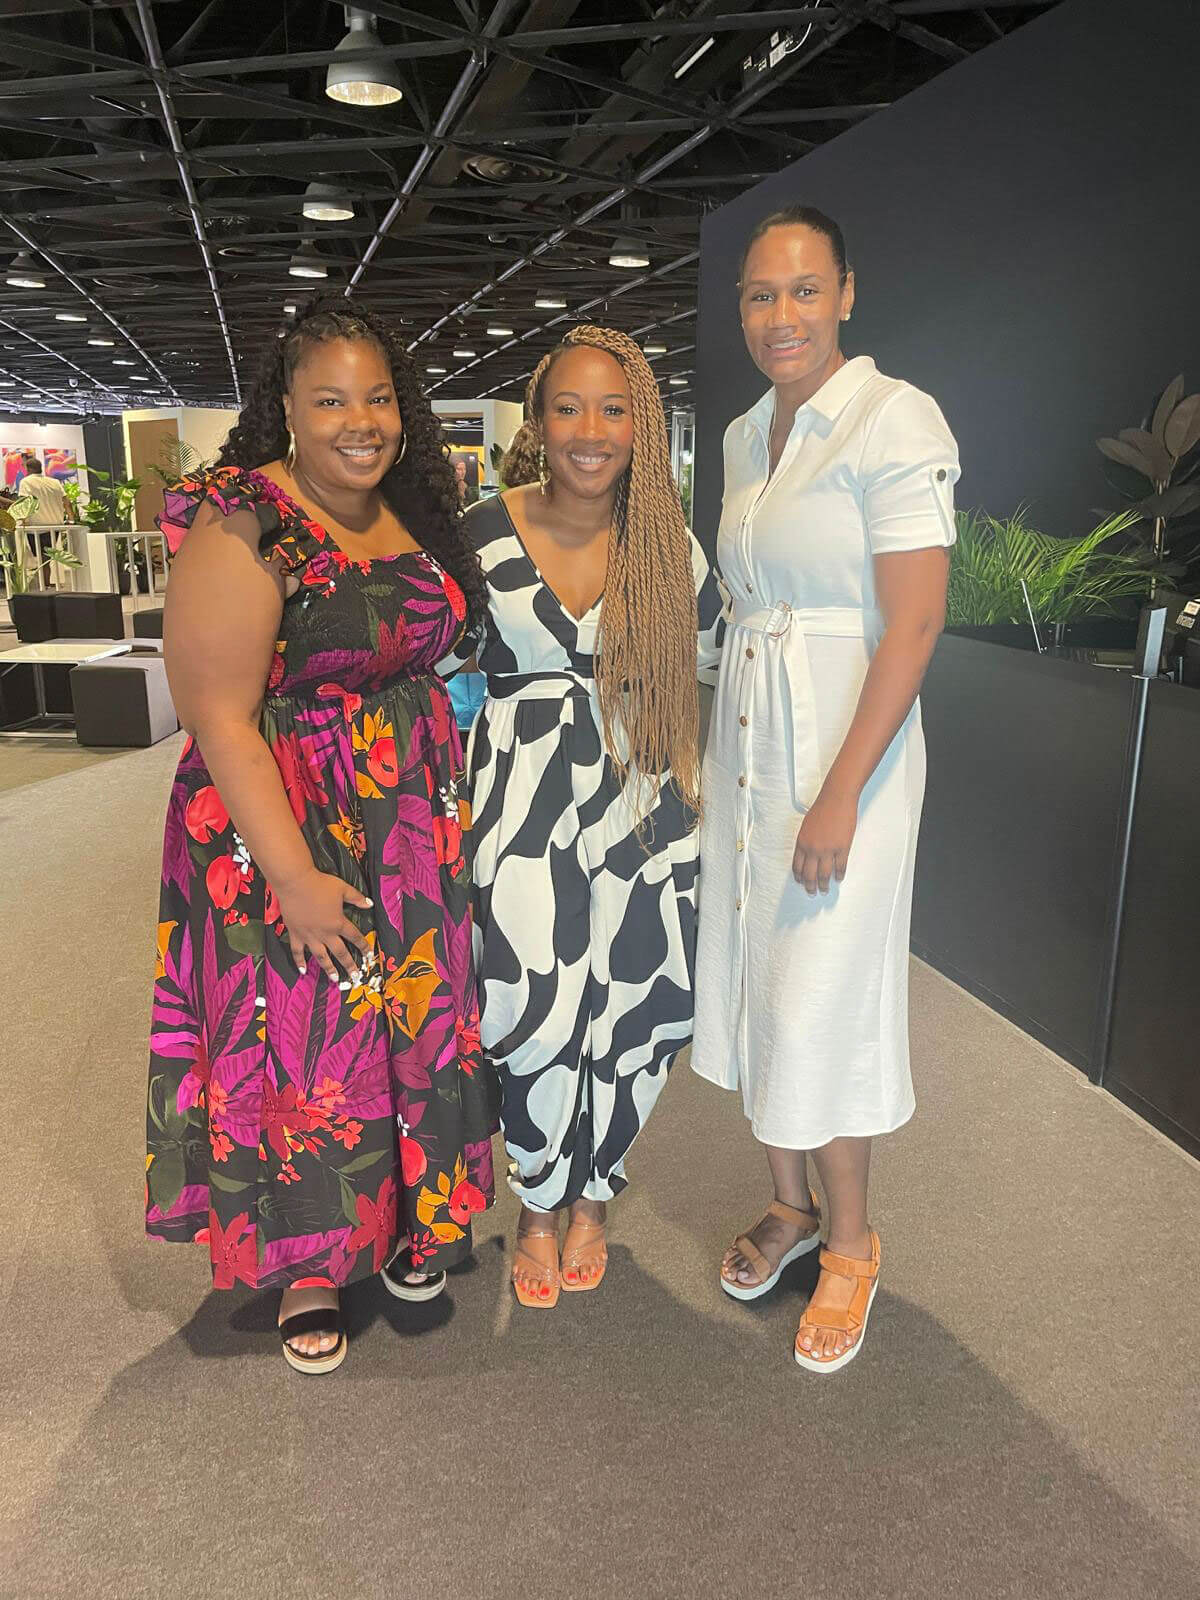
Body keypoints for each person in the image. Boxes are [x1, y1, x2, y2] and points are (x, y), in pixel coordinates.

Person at [147, 296, 497, 1374]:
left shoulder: (412, 507)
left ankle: (406, 1221)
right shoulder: (247, 515)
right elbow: (217, 711)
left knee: (412, 1020)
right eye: (331, 397)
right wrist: (292, 872)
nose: (361, 419)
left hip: (402, 821)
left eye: (379, 396)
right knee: (308, 1034)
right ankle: (309, 1262)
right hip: (282, 820)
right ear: (286, 407)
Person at [692, 206, 960, 1373]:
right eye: (759, 295)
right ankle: (791, 1208)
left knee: (825, 992)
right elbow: (740, 604)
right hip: (753, 740)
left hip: (846, 747)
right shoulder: (749, 432)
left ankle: (851, 1239)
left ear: (847, 292)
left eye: (804, 290)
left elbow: (914, 622)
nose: (780, 315)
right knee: (761, 975)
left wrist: (842, 788)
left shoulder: (895, 418)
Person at [446, 324, 723, 1308]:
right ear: (538, 419)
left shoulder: (670, 545)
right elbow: (439, 665)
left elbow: (713, 665)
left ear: (641, 425)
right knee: (527, 998)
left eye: (615, 409)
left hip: (642, 793)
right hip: (518, 801)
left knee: (640, 1001)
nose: (591, 429)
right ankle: (538, 1196)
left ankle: (596, 1190)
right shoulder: (480, 532)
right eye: (569, 407)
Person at [16, 455, 66, 525]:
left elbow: (24, 503)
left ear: (28, 469)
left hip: (36, 527)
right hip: (56, 525)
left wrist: (22, 521)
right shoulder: (55, 482)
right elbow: (67, 502)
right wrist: (71, 520)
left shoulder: (26, 481)